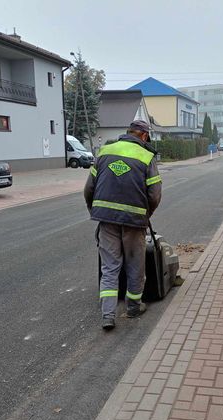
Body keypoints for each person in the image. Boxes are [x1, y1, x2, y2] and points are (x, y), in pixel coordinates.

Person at [84, 120, 162, 330]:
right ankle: (134, 307)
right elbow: (154, 195)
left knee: (109, 267)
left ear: (128, 133)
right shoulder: (147, 157)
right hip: (134, 222)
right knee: (134, 265)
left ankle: (108, 315)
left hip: (106, 220)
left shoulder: (105, 151)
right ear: (144, 136)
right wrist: (146, 214)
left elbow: (89, 189)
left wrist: (95, 211)